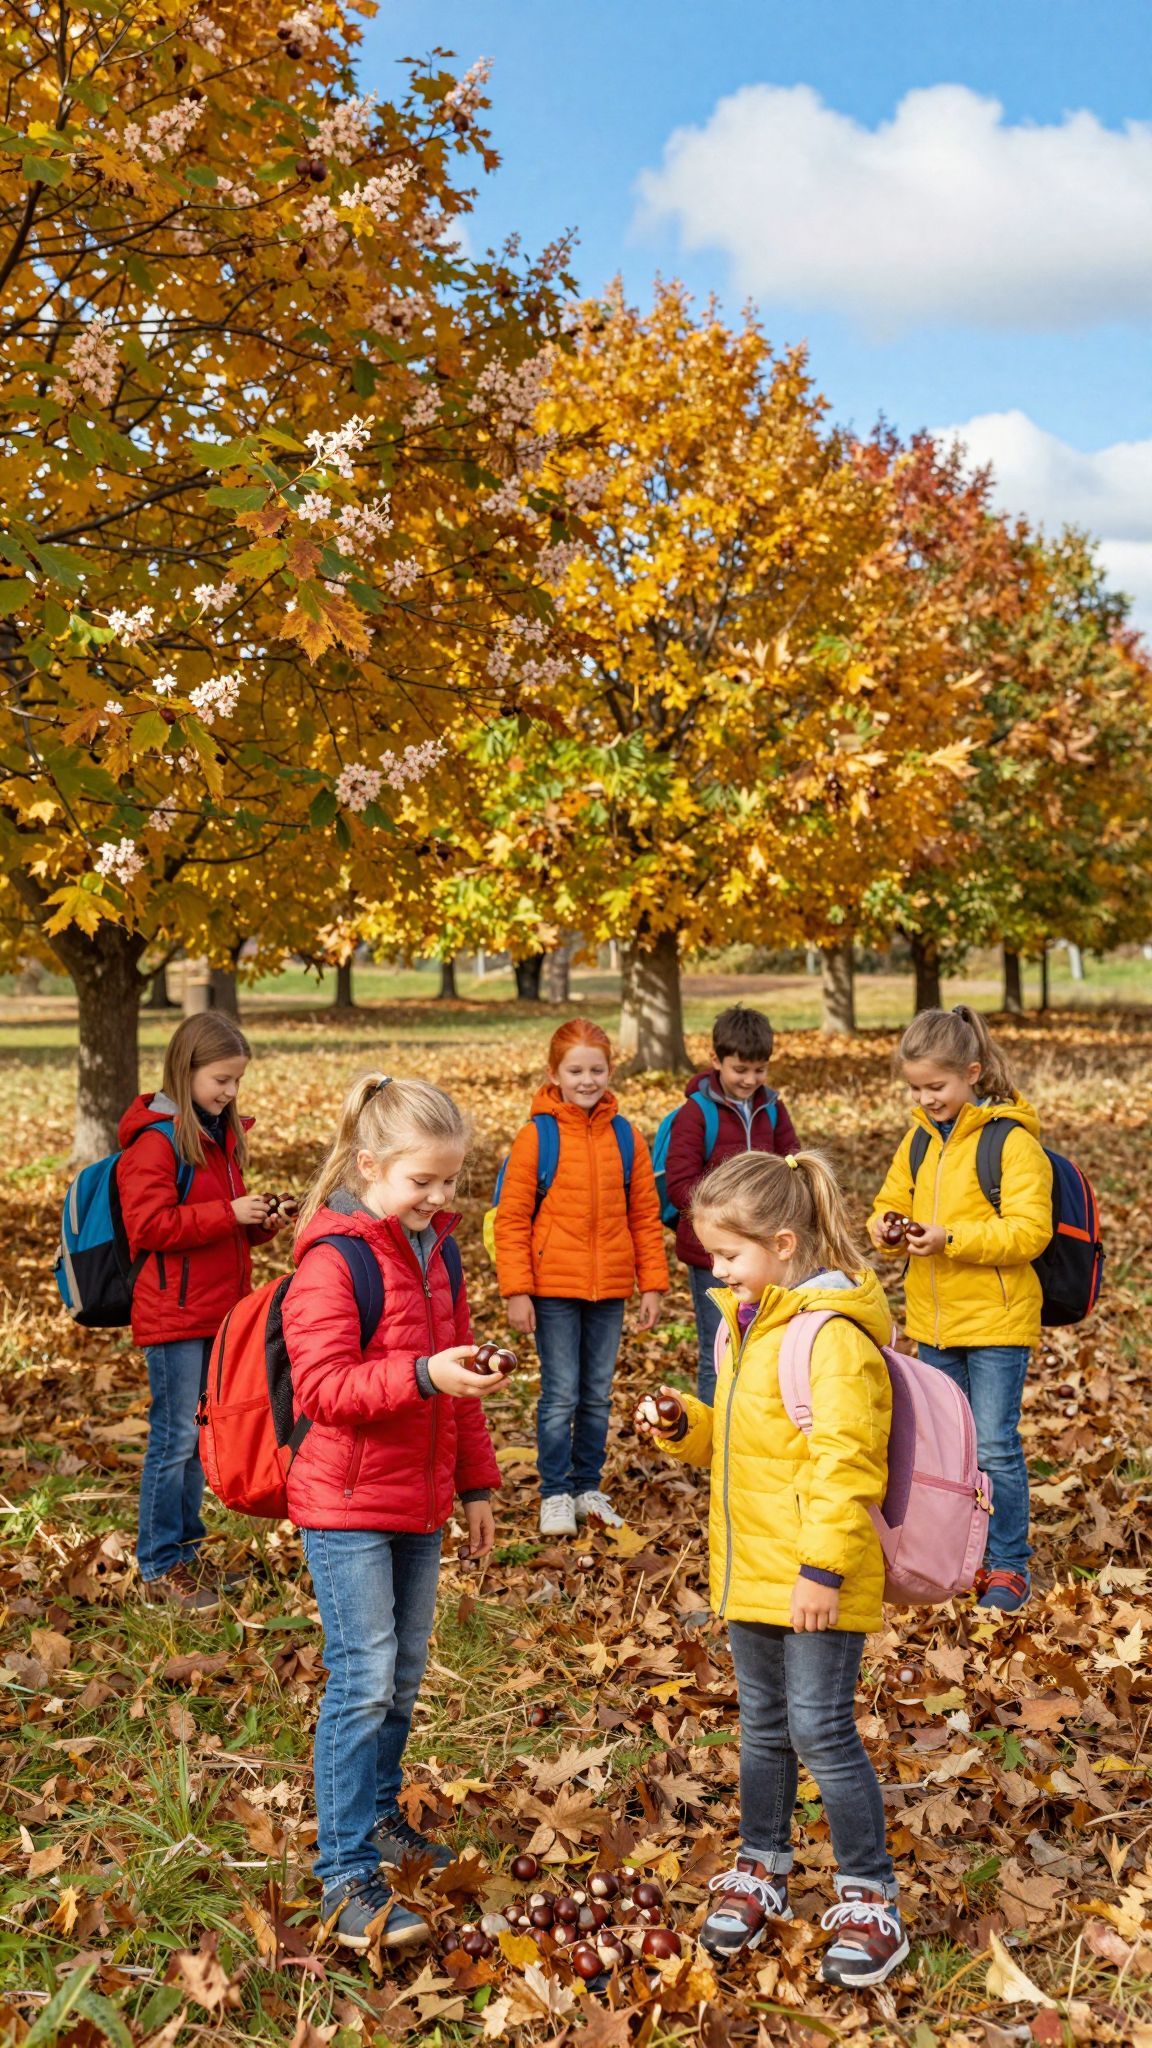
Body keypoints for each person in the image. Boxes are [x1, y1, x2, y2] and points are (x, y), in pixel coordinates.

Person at [635, 1150, 908, 1988]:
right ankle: (762, 1866)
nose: (716, 1271)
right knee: (761, 1726)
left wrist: (821, 1570)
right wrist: (688, 1425)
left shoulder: (832, 1338)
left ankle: (870, 1896)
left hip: (814, 1573)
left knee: (820, 1729)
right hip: (752, 1563)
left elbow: (846, 1462)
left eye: (727, 1255)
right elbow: (746, 1445)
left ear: (783, 1244)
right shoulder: (744, 1322)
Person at [283, 1074, 503, 1953]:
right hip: (345, 1504)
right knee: (363, 1676)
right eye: (424, 1182)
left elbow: (462, 1384)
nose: (441, 1198)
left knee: (404, 1673)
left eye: (451, 1181)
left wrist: (478, 1485)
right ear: (370, 1165)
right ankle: (343, 1870)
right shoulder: (332, 1260)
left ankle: (378, 1817)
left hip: (420, 1496)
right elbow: (323, 1388)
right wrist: (421, 1375)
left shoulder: (437, 1250)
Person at [869, 1004, 1051, 1613]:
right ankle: (958, 1553)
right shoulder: (919, 1138)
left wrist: (953, 1239)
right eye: (916, 1088)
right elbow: (888, 1199)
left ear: (972, 1072)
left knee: (995, 1443)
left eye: (936, 1086)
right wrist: (886, 1227)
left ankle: (1007, 1563)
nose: (925, 1099)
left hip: (997, 1320)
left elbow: (1030, 1232)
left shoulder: (1012, 1140)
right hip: (934, 1320)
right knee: (950, 1447)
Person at [118, 1013, 281, 1613]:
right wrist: (228, 1214)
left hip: (220, 1311)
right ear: (184, 1070)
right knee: (175, 1438)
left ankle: (185, 1553)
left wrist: (257, 1221)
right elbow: (149, 1226)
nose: (230, 1092)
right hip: (174, 1314)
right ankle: (159, 1565)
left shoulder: (218, 1134)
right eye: (221, 1079)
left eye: (237, 1080)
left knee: (202, 1433)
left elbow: (221, 1227)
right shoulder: (155, 1141)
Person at [495, 1018, 668, 1536]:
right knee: (561, 1393)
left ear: (610, 1071)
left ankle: (587, 1485)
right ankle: (555, 1492)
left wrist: (653, 1284)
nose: (587, 1080)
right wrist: (517, 1291)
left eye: (597, 1069)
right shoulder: (536, 1137)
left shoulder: (626, 1136)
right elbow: (512, 1218)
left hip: (610, 1287)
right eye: (576, 1070)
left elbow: (644, 1215)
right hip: (552, 1290)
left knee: (596, 1392)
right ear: (555, 1073)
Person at [663, 1004, 799, 1404]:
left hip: (768, 1252)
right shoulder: (696, 1114)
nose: (750, 1080)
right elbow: (680, 1185)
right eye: (740, 1070)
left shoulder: (771, 1108)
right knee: (720, 1348)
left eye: (760, 1070)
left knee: (771, 1342)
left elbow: (792, 1166)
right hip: (714, 1258)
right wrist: (733, 1216)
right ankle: (715, 1436)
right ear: (716, 1061)